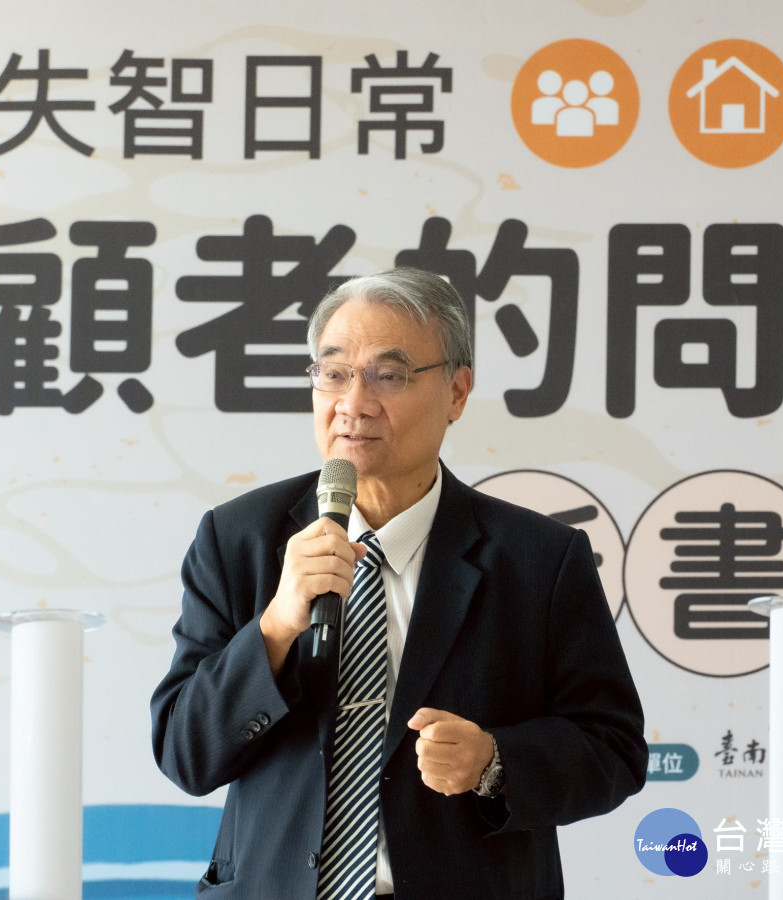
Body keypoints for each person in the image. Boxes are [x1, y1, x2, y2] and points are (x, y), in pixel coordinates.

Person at [151, 267, 647, 898]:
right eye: (333, 373)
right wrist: (274, 628)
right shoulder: (237, 538)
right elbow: (185, 754)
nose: (353, 403)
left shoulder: (540, 560)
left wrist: (494, 761)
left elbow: (613, 749)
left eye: (388, 375)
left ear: (457, 392)